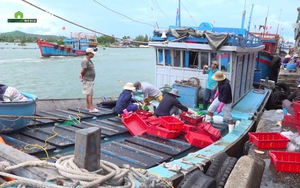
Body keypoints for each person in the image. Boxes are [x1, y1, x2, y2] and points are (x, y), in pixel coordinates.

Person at [79, 48, 99, 113]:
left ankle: (88, 106)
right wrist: (82, 76)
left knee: (88, 93)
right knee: (90, 93)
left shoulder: (89, 60)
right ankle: (91, 108)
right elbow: (83, 70)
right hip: (88, 80)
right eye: (92, 53)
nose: (93, 55)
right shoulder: (85, 61)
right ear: (89, 53)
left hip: (90, 79)